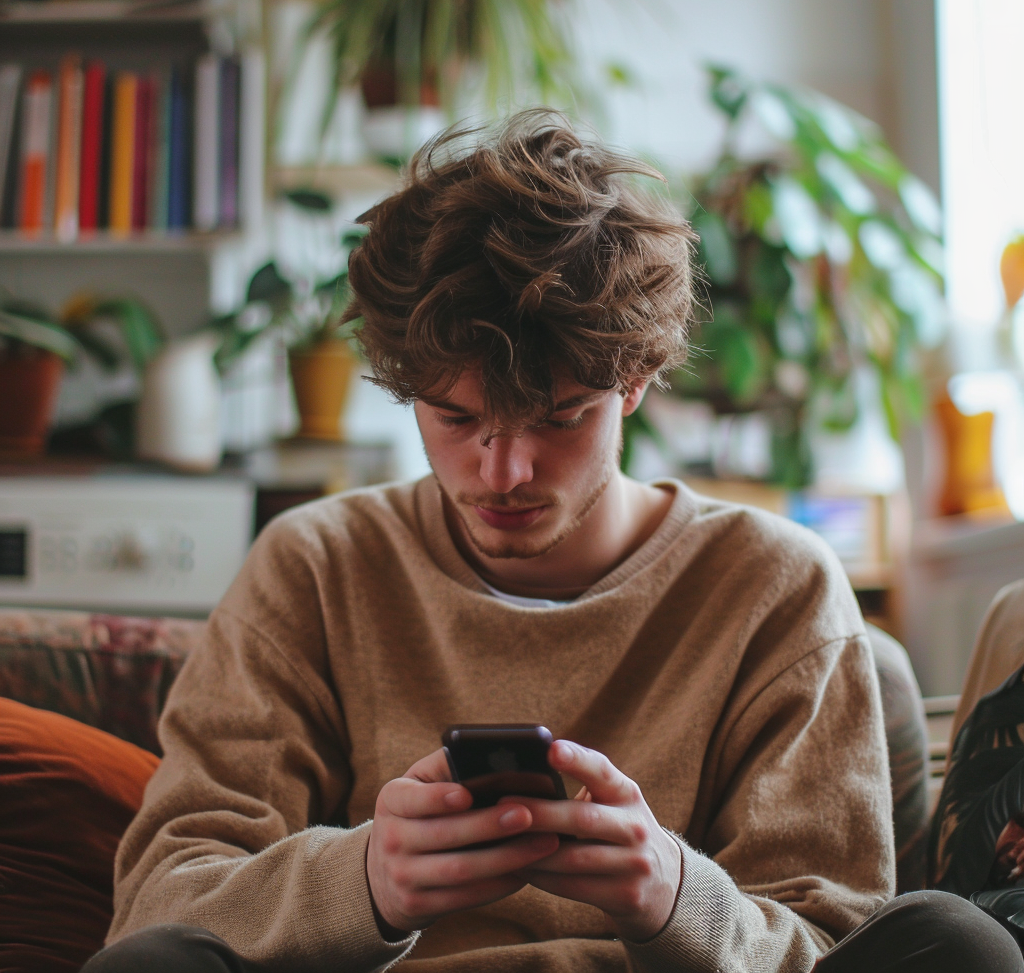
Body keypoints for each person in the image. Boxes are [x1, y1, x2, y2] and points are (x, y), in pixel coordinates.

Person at [83, 113, 1021, 973]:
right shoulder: (316, 566)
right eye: (455, 418)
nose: (504, 472)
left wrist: (670, 895)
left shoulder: (774, 585)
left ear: (638, 381)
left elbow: (835, 940)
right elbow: (161, 904)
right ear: (407, 388)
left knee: (956, 946)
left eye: (560, 417)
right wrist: (366, 881)